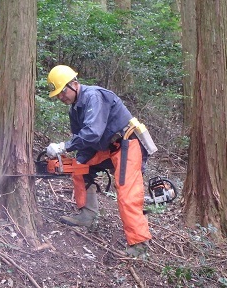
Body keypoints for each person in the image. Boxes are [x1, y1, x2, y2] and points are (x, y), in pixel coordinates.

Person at [46, 65, 153, 257]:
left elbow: (92, 133)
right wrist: (76, 160)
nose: (61, 97)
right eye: (58, 94)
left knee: (126, 191)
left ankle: (139, 244)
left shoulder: (93, 96)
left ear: (74, 84)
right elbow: (84, 140)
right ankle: (87, 215)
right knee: (78, 167)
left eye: (63, 91)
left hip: (126, 143)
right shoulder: (74, 110)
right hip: (104, 148)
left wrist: (63, 146)